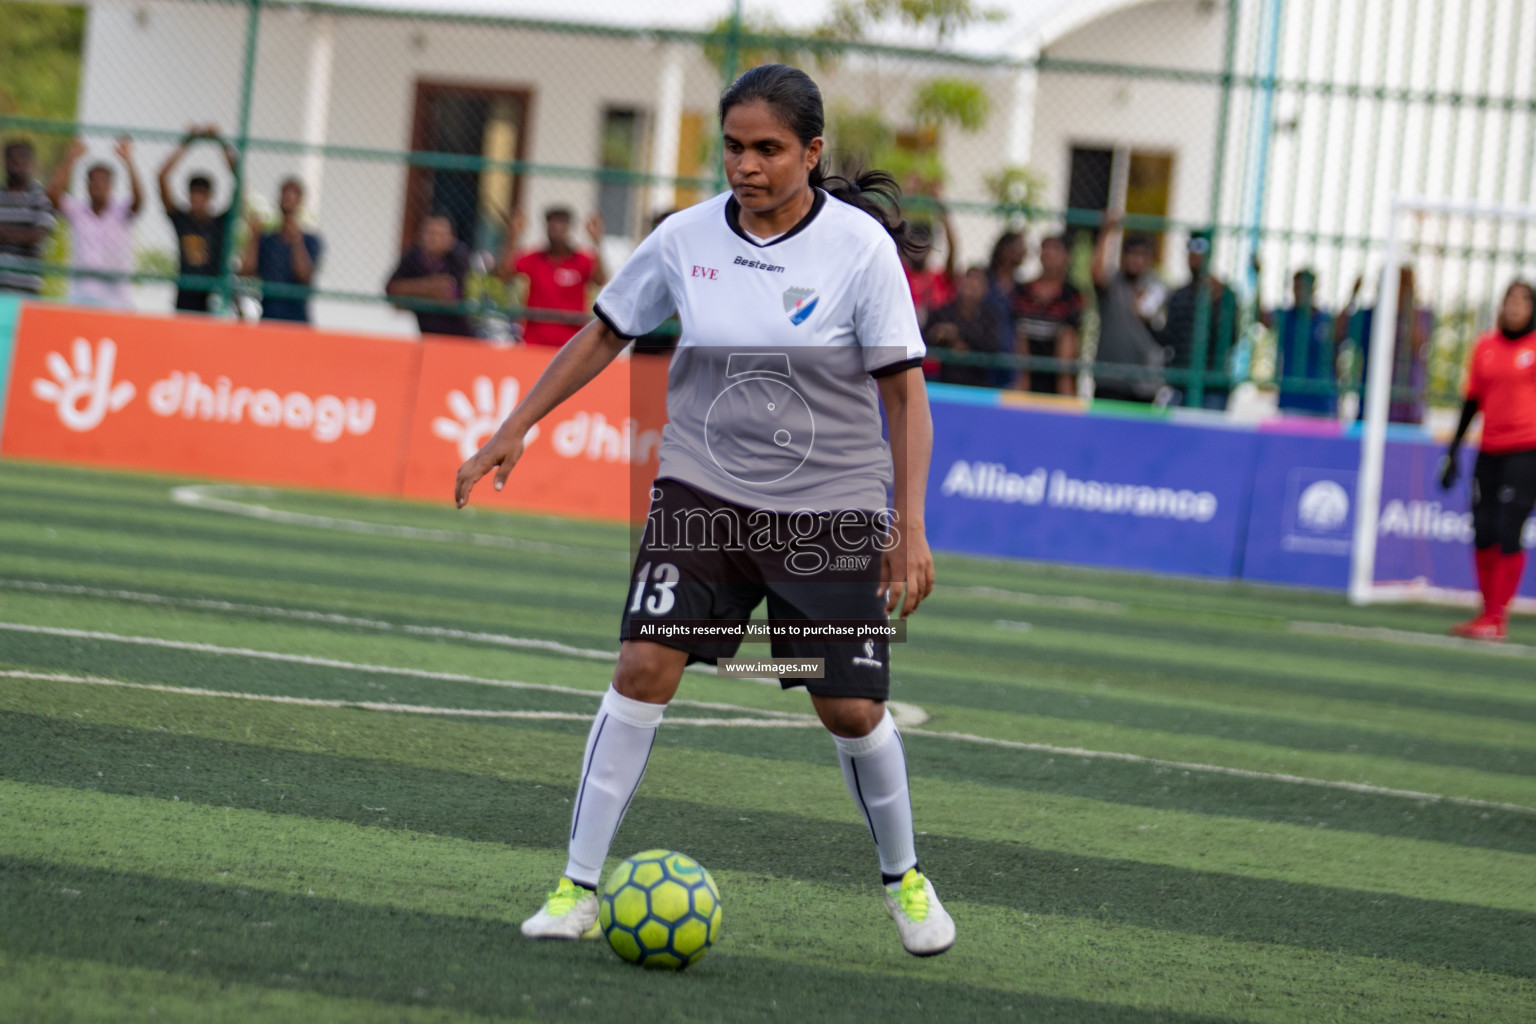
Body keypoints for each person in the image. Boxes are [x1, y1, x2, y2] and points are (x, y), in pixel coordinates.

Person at [454, 63, 953, 958]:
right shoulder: (685, 237)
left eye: (768, 149)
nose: (747, 165)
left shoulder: (858, 249)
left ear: (812, 152)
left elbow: (906, 396)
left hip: (829, 508)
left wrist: (907, 529)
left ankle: (905, 880)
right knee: (644, 666)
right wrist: (514, 426)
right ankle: (574, 887)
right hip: (703, 493)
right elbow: (607, 328)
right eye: (733, 146)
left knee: (849, 711)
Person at [1437, 280, 1536, 642]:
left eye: (1523, 301)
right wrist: (1453, 452)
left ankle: (1498, 616)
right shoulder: (1485, 347)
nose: (1515, 307)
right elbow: (1471, 401)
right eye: (1510, 299)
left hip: (1526, 451)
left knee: (1510, 528)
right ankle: (1486, 611)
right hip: (1489, 450)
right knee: (1483, 529)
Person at [47, 136, 143, 309]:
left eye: (103, 180)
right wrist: (70, 159)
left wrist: (128, 161)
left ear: (111, 185)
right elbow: (53, 196)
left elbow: (139, 200)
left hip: (117, 301)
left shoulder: (120, 211)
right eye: (93, 179)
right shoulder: (77, 210)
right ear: (87, 184)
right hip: (81, 298)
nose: (98, 184)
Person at [499, 205, 607, 347]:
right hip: (535, 339)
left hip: (570, 341)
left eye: (561, 223)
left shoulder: (582, 260)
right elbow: (504, 274)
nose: (556, 229)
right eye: (552, 224)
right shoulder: (535, 258)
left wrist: (597, 241)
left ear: (568, 228)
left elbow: (600, 280)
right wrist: (513, 236)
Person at [159, 123, 238, 313]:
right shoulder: (181, 220)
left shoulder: (220, 222)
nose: (197, 199)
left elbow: (240, 181)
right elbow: (162, 176)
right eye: (194, 194)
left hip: (213, 291)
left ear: (210, 197)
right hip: (186, 292)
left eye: (202, 194)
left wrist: (221, 142)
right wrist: (187, 142)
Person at [1090, 213, 1165, 402]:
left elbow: (1151, 315)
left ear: (1150, 259)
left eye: (1142, 255)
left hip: (1144, 383)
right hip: (1110, 380)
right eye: (1131, 254)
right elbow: (1096, 272)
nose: (1135, 260)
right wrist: (1107, 232)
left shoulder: (1157, 287)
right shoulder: (1113, 284)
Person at [1159, 229, 1237, 409]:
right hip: (1181, 382)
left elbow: (1230, 339)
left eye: (1200, 249)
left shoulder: (1225, 294)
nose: (1195, 256)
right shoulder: (1178, 295)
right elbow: (1168, 339)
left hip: (1211, 385)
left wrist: (1216, 306)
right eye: (1191, 249)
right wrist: (1146, 320)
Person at [239, 178, 322, 323]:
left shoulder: (310, 241)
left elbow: (304, 275)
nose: (288, 199)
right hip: (268, 316)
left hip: (298, 319)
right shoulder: (267, 240)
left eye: (293, 195)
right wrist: (254, 238)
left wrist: (296, 239)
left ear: (301, 201)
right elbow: (245, 271)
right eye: (285, 194)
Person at [1013, 233, 1083, 396]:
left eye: (1055, 249)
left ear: (1067, 257)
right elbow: (1019, 334)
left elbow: (1069, 338)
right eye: (1045, 248)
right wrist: (1024, 378)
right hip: (1028, 368)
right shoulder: (1023, 291)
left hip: (1057, 374)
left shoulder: (1072, 295)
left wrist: (1064, 385)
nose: (1049, 253)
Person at [386, 213, 475, 337]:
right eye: (430, 233)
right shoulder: (414, 255)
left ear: (452, 238)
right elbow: (392, 288)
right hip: (424, 330)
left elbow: (450, 295)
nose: (434, 239)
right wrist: (430, 286)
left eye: (440, 234)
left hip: (458, 335)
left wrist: (412, 291)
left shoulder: (459, 256)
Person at [926, 265, 1009, 388]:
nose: (972, 284)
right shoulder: (944, 311)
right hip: (944, 381)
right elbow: (928, 336)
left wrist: (958, 334)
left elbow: (993, 344)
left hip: (979, 383)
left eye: (978, 281)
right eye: (969, 278)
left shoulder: (990, 316)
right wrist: (945, 338)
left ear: (985, 288)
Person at [1274, 269, 1337, 416]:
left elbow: (1334, 359)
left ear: (1313, 289)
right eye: (1296, 287)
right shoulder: (1285, 318)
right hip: (1291, 401)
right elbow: (1262, 318)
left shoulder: (1326, 320)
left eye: (1303, 287)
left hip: (1321, 403)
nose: (1299, 292)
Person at [0, 140, 58, 296]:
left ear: (30, 162)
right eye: (11, 157)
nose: (16, 161)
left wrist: (4, 232)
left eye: (21, 157)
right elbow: (28, 233)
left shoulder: (40, 197)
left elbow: (37, 235)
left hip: (26, 287)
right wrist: (22, 232)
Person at [902, 206, 956, 329]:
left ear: (930, 246)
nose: (917, 249)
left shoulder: (939, 277)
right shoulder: (901, 272)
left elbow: (953, 249)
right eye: (913, 244)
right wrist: (908, 199)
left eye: (922, 244)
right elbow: (891, 235)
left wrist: (940, 206)